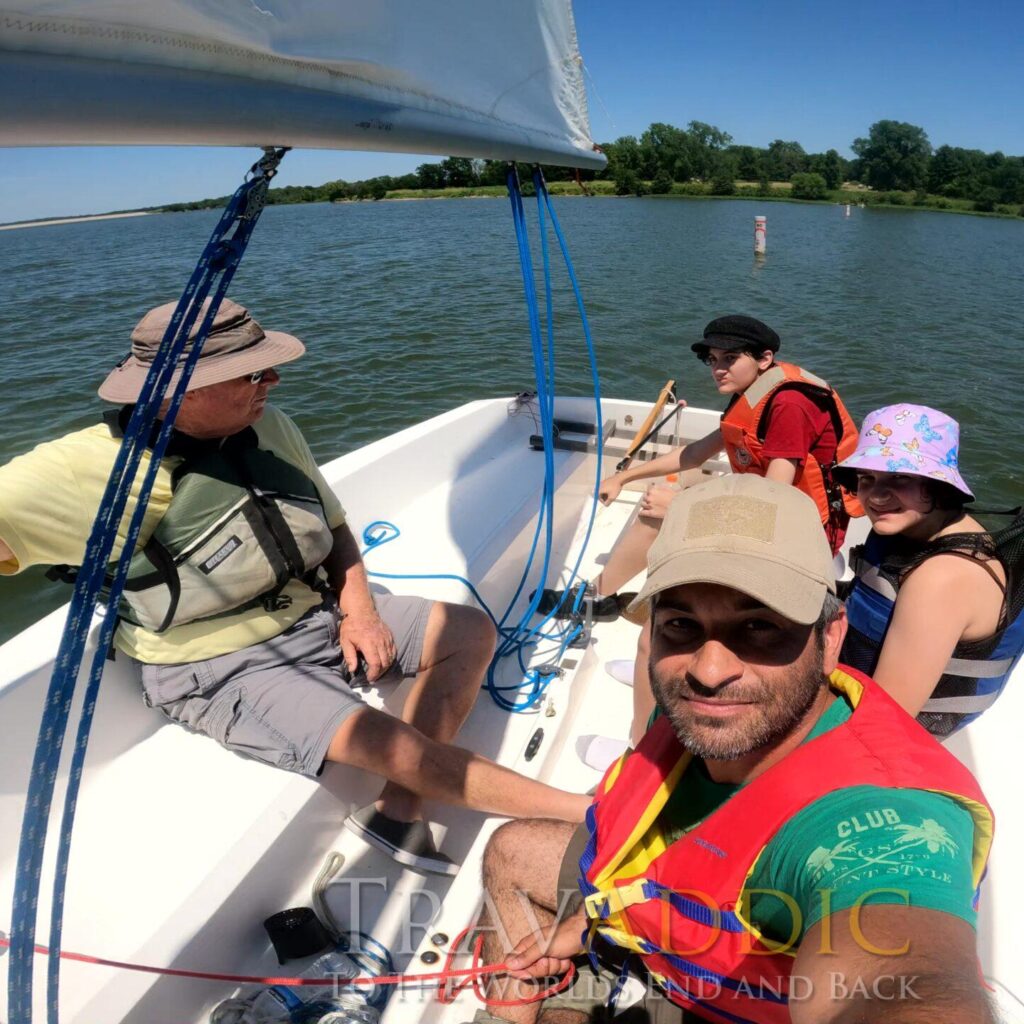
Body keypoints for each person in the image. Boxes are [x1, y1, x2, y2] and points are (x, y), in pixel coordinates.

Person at [0, 298, 589, 875]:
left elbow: (333, 526)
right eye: (254, 371)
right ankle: (589, 814)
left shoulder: (268, 424)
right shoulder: (83, 472)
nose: (275, 379)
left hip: (316, 614)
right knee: (392, 745)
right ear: (183, 392)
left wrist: (359, 610)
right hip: (218, 663)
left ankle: (400, 805)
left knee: (467, 629)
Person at [475, 475, 995, 1024]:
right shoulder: (705, 719)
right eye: (681, 623)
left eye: (760, 627)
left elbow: (910, 982)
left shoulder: (882, 823)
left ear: (831, 638)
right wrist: (600, 920)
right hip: (656, 937)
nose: (709, 670)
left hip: (721, 1005)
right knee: (510, 849)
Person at [539, 314, 861, 744]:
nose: (718, 369)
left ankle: (642, 749)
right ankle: (599, 597)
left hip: (797, 531)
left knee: (650, 634)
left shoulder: (788, 405)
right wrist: (626, 477)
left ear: (765, 359)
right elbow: (695, 453)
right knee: (658, 504)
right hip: (767, 511)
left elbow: (773, 498)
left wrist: (685, 507)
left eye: (729, 358)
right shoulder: (751, 394)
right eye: (712, 360)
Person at [834, 403, 1024, 738]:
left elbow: (880, 725)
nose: (876, 496)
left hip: (877, 738)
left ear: (938, 486)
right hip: (848, 677)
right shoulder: (912, 529)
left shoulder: (944, 577)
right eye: (867, 478)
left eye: (900, 477)